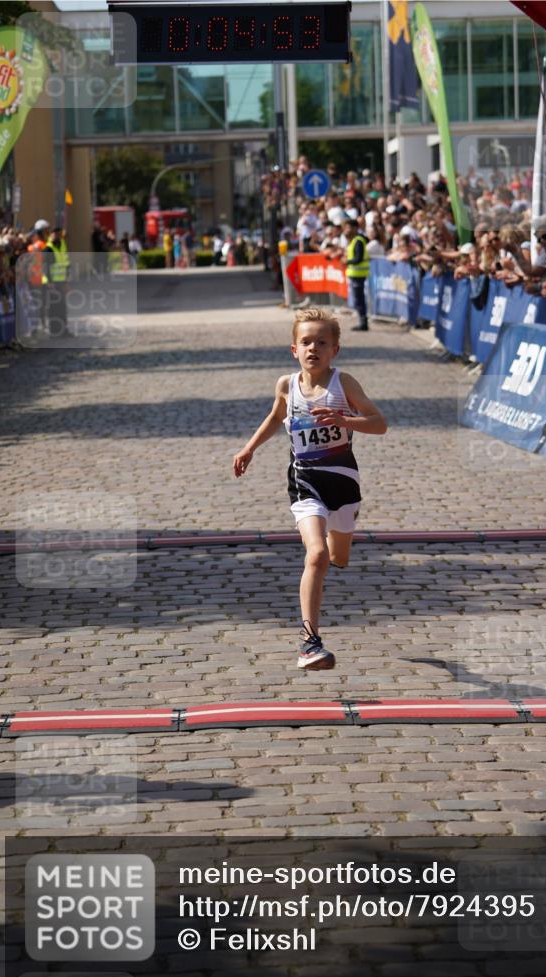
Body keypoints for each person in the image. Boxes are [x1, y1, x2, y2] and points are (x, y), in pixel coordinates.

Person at [232, 307, 387, 670]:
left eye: (322, 342)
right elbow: (275, 416)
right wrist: (249, 448)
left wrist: (344, 420)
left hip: (344, 482)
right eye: (306, 342)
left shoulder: (343, 383)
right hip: (305, 480)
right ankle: (310, 642)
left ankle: (335, 547)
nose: (313, 348)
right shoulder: (287, 385)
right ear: (294, 349)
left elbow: (380, 424)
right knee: (315, 555)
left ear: (335, 349)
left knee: (339, 557)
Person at [343, 218, 369, 331]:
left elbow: (358, 258)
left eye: (348, 227)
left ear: (355, 228)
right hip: (355, 274)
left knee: (359, 300)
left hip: (359, 274)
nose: (346, 230)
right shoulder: (354, 240)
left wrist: (347, 261)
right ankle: (362, 322)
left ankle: (363, 323)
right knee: (358, 299)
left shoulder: (358, 241)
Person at [43, 224, 70, 336]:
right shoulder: (48, 249)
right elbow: (45, 267)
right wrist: (49, 282)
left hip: (61, 282)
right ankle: (54, 331)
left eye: (59, 234)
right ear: (51, 235)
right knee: (54, 308)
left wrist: (67, 281)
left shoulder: (62, 245)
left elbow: (67, 263)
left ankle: (63, 330)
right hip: (52, 283)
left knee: (62, 307)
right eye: (55, 234)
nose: (58, 236)